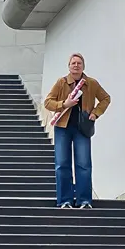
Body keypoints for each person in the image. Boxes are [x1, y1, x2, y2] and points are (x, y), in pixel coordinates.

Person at [43, 52, 110, 209]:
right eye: (73, 63)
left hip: (82, 128)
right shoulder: (61, 83)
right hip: (62, 127)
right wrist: (64, 104)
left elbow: (106, 98)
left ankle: (84, 200)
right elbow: (48, 102)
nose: (76, 65)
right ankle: (64, 200)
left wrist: (95, 113)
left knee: (84, 164)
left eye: (79, 63)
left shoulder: (91, 83)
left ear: (83, 66)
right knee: (62, 163)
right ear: (69, 66)